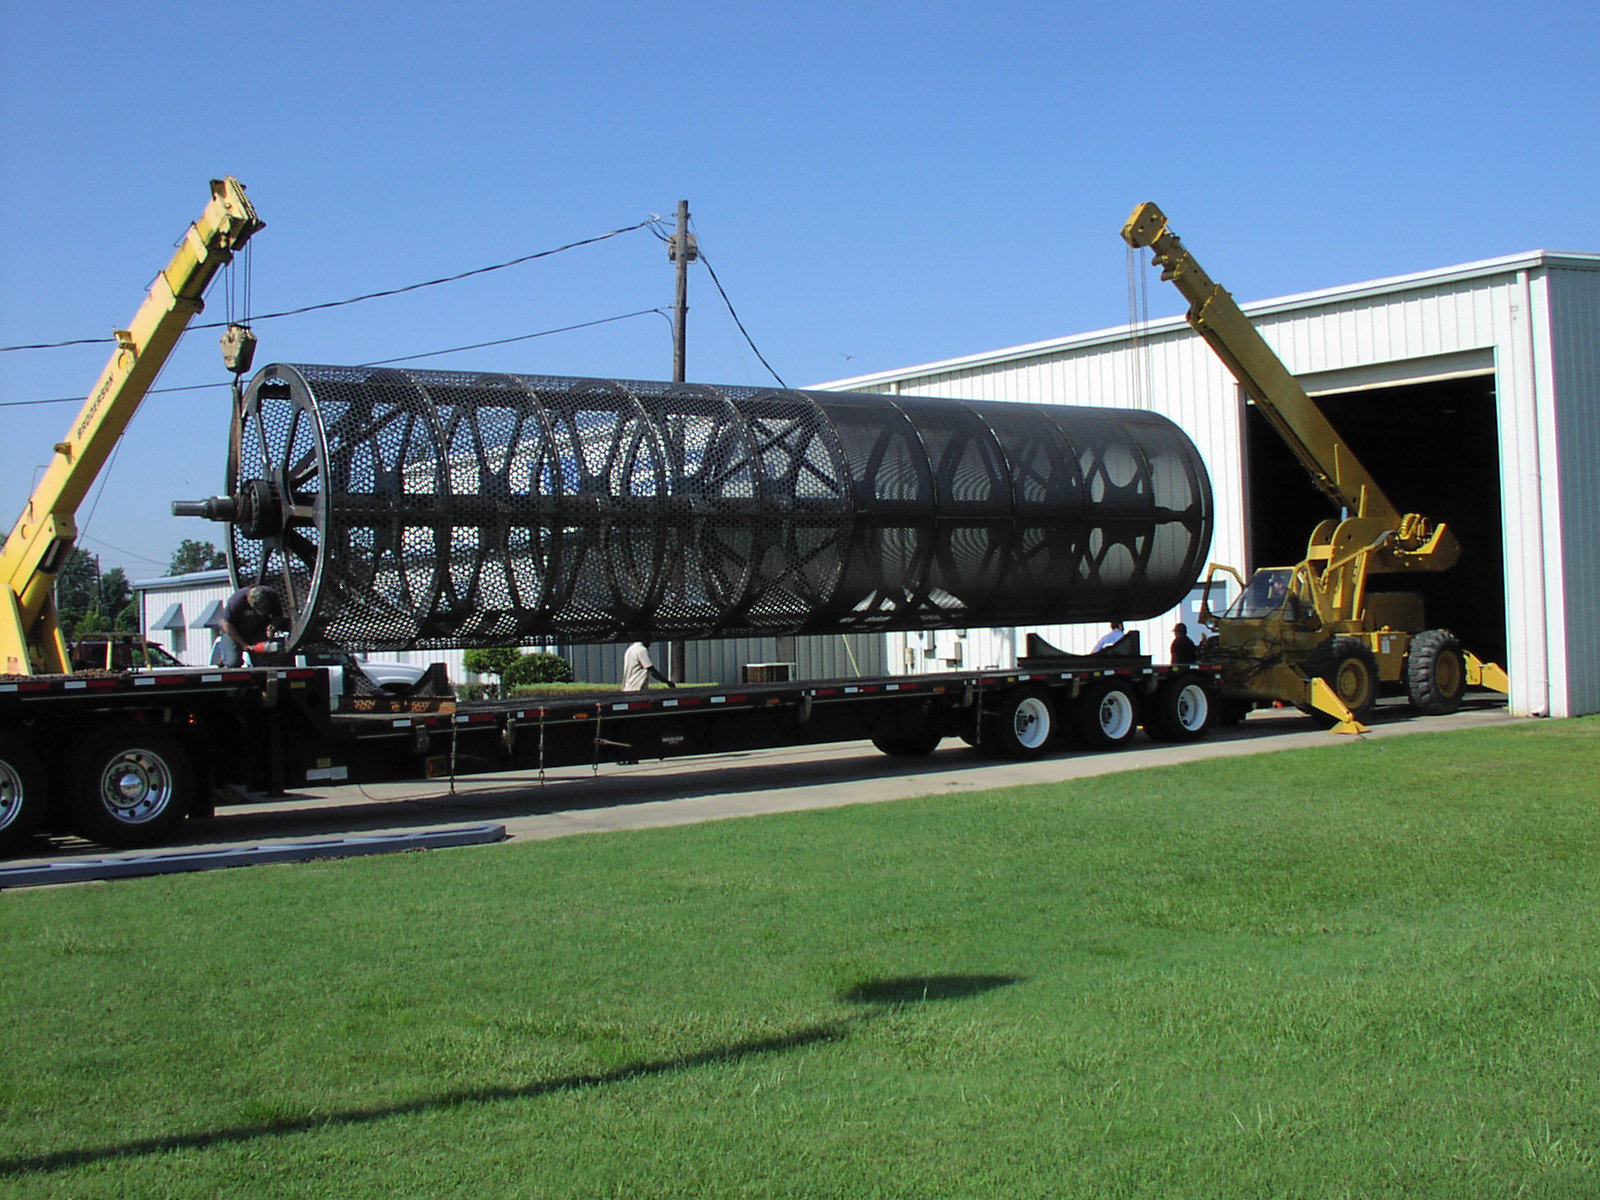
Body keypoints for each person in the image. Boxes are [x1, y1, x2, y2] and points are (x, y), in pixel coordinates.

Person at [217, 585, 285, 667]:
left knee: (265, 662)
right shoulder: (236, 601)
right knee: (233, 662)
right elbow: (226, 624)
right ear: (249, 602)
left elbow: (278, 616)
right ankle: (225, 658)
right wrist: (243, 644)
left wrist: (273, 626)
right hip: (234, 631)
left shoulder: (272, 595)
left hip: (257, 630)